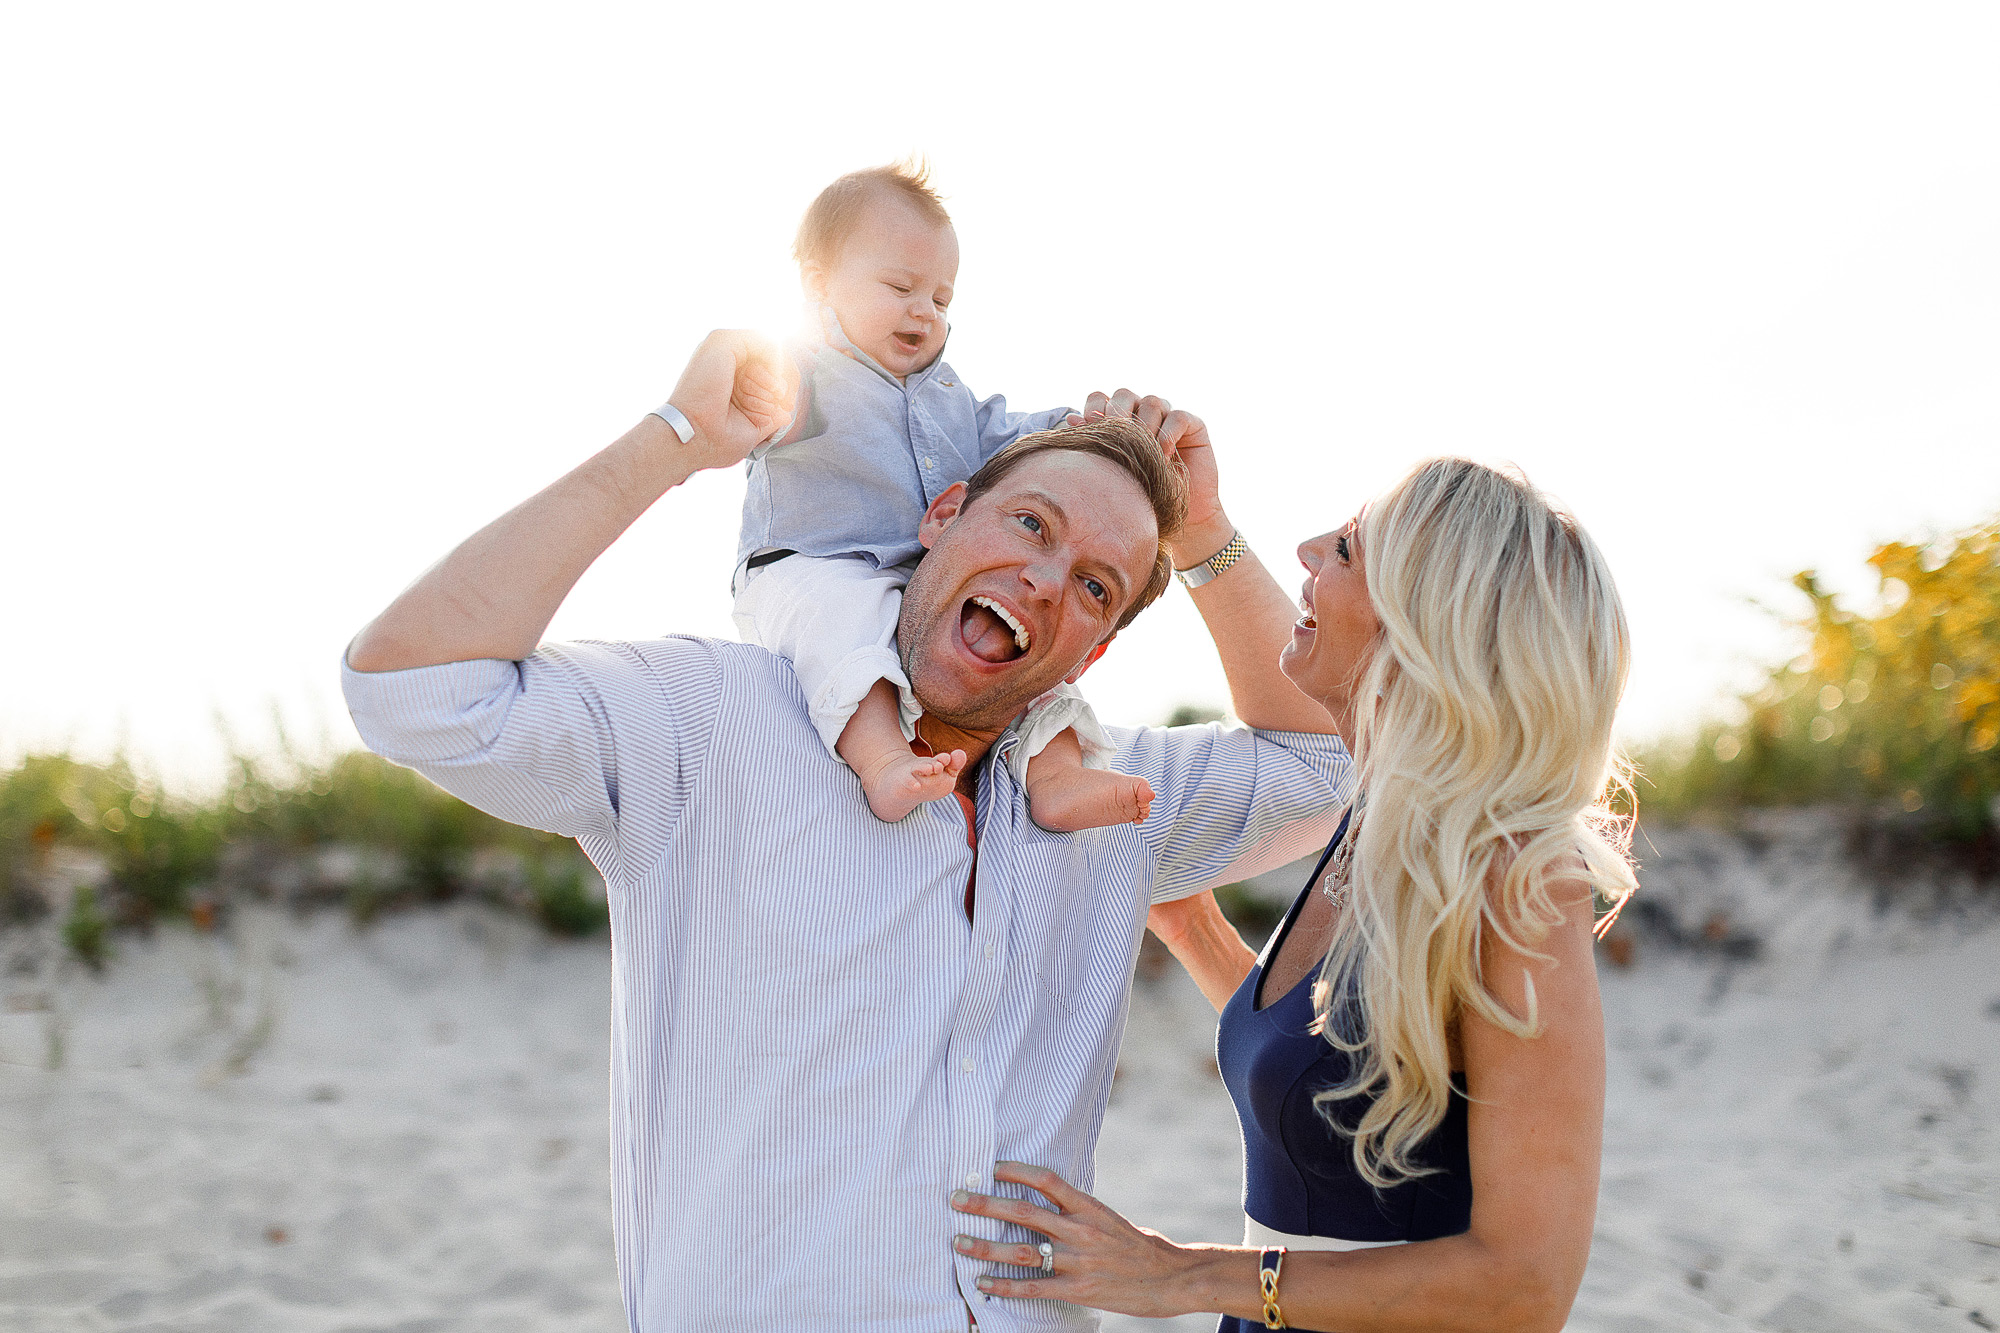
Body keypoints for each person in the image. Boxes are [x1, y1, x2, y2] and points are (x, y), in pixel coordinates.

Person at [339, 328, 1350, 1331]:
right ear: (941, 515)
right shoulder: (711, 720)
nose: (1046, 578)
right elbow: (413, 686)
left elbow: (1329, 759)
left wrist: (1204, 531)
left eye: (1095, 585)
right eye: (1030, 524)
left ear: (1090, 653)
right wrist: (678, 438)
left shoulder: (1111, 797)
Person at [949, 457, 1639, 1333]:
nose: (1309, 552)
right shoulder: (1379, 822)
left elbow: (1524, 1287)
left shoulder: (1522, 880)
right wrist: (1190, 924)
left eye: (1348, 549)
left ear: (1426, 618)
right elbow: (1335, 1070)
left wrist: (1181, 1274)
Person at [736, 161, 1149, 832]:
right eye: (900, 287)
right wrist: (747, 393)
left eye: (941, 299)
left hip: (918, 582)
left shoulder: (948, 396)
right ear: (819, 285)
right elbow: (749, 406)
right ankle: (882, 762)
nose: (923, 312)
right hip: (811, 567)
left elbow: (1013, 435)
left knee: (1037, 656)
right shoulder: (803, 372)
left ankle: (1057, 774)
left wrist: (1089, 426)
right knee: (846, 626)